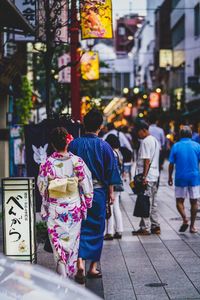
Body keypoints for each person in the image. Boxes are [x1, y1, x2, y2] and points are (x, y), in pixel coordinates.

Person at [69, 109, 121, 283]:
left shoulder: (74, 144)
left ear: (84, 125)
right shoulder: (104, 146)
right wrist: (111, 193)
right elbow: (111, 171)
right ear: (100, 126)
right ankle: (92, 267)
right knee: (97, 229)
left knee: (78, 228)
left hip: (77, 192)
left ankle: (79, 265)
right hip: (97, 193)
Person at [37, 127, 93, 278]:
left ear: (53, 144)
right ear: (67, 142)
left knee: (58, 245)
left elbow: (42, 187)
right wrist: (87, 202)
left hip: (56, 208)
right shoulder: (77, 161)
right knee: (72, 244)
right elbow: (86, 185)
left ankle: (62, 275)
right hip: (73, 208)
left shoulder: (47, 163)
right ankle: (70, 272)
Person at [168, 126, 200, 233]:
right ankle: (192, 226)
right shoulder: (197, 146)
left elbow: (171, 164)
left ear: (180, 135)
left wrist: (169, 177)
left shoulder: (176, 146)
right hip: (194, 177)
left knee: (179, 201)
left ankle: (185, 219)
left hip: (180, 177)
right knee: (194, 202)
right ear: (191, 134)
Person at [132, 121, 160, 235]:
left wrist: (143, 177)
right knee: (153, 202)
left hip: (147, 177)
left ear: (143, 130)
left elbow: (146, 160)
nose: (138, 135)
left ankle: (145, 227)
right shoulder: (154, 140)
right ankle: (155, 226)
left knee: (145, 201)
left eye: (138, 132)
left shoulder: (145, 142)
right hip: (154, 176)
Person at [104, 134, 124, 240]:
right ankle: (119, 230)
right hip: (118, 182)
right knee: (116, 206)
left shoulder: (111, 153)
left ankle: (110, 231)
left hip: (112, 183)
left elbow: (110, 170)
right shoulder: (118, 153)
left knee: (110, 206)